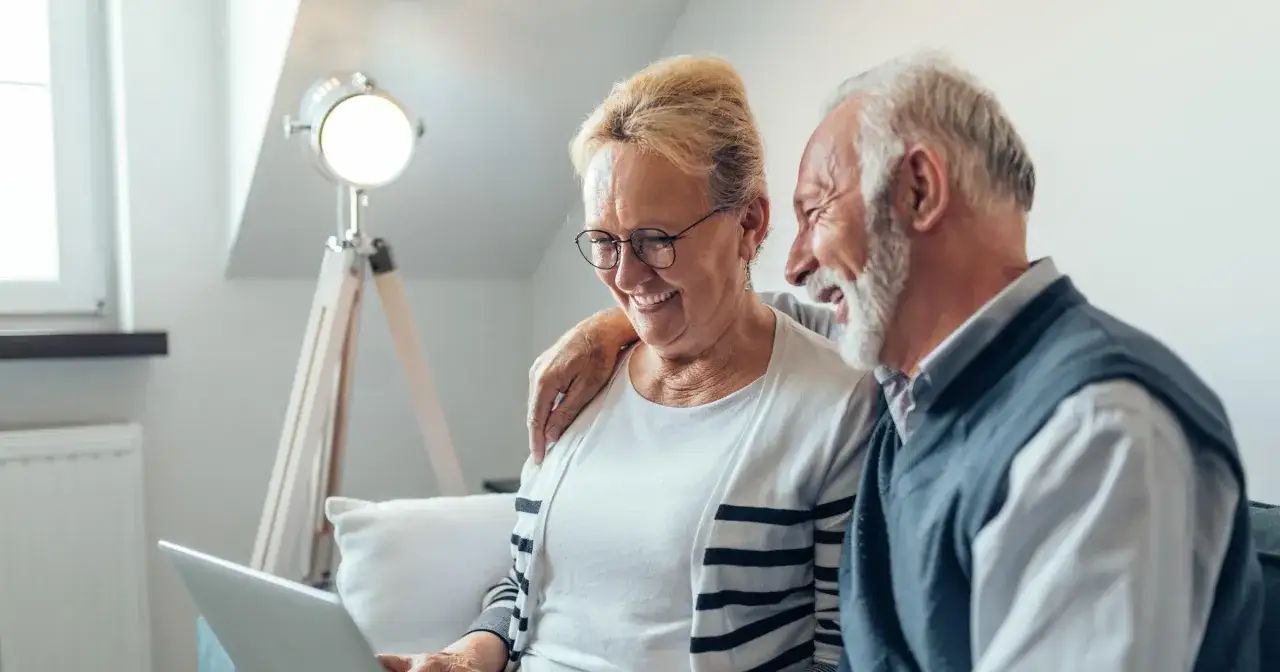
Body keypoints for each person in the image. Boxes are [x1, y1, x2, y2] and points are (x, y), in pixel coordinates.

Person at [525, 51, 1264, 671]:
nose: (797, 256)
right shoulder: (920, 382)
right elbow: (750, 318)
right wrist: (622, 325)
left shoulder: (1093, 435)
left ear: (918, 189)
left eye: (815, 211)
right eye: (610, 245)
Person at [380, 54, 877, 672]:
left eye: (655, 240)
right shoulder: (585, 376)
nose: (625, 275)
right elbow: (527, 592)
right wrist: (467, 656)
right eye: (606, 242)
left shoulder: (835, 407)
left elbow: (845, 656)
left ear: (750, 221)